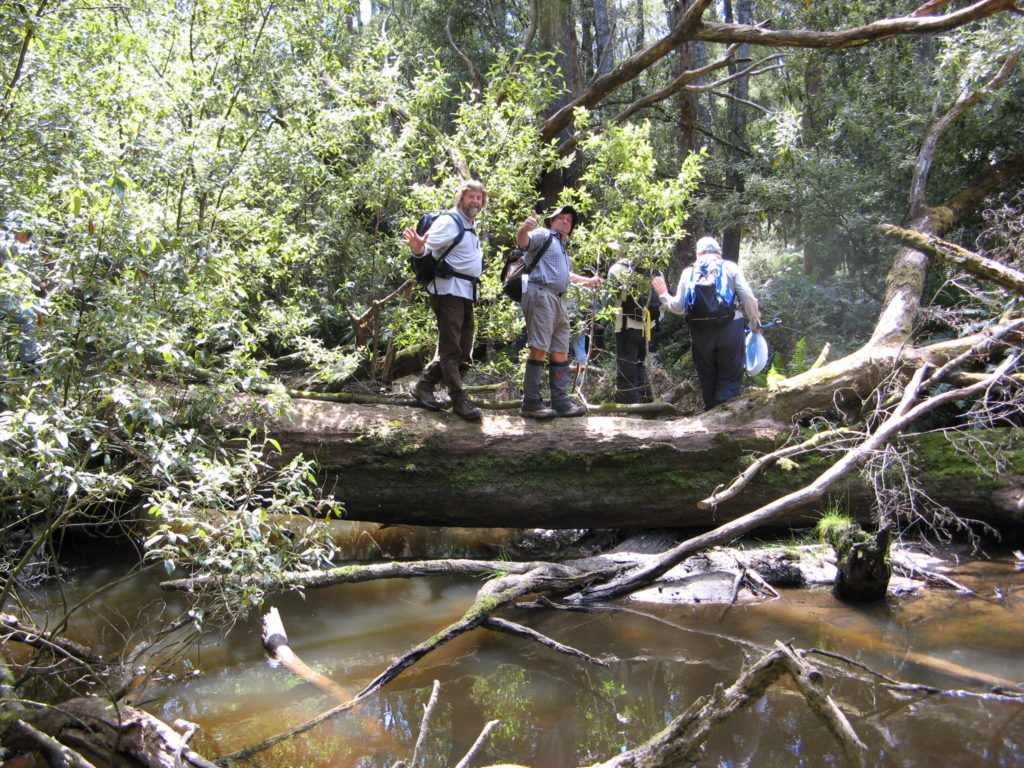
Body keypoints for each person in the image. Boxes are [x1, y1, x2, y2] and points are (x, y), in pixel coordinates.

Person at [401, 180, 486, 421]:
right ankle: (459, 400)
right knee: (452, 349)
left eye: (479, 198)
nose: (475, 202)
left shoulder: (470, 224)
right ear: (461, 198)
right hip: (447, 290)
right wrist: (417, 248)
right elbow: (423, 248)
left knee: (464, 351)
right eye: (471, 197)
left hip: (465, 292)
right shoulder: (449, 221)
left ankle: (425, 386)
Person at [653, 236, 761, 410]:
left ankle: (711, 412)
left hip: (700, 331)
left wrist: (664, 294)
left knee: (707, 374)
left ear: (697, 254)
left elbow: (679, 307)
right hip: (730, 327)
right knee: (730, 375)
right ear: (719, 252)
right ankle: (726, 416)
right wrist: (755, 323)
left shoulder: (689, 272)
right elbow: (747, 297)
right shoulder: (729, 267)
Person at [515, 205, 602, 419]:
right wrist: (524, 228)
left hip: (558, 299)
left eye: (569, 220)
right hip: (541, 294)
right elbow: (523, 242)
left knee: (561, 349)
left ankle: (560, 401)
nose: (565, 222)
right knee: (540, 347)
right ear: (552, 221)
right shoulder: (543, 234)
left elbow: (567, 275)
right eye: (561, 218)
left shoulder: (561, 247)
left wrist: (588, 281)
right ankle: (531, 402)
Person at [607, 253, 656, 404]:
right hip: (647, 325)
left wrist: (604, 319)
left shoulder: (616, 269)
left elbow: (609, 299)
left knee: (626, 366)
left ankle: (630, 406)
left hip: (625, 324)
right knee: (640, 365)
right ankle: (646, 401)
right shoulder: (652, 268)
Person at [1, 210, 42, 366]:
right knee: (27, 317)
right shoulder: (5, 243)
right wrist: (39, 282)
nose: (27, 238)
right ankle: (29, 362)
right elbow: (16, 269)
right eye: (27, 234)